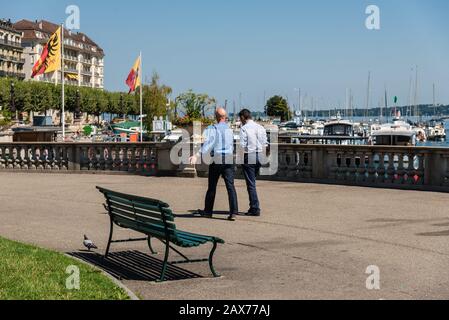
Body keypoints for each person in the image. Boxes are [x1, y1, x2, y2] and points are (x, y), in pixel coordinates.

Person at [190, 108, 239, 221]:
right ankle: (233, 212)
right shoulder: (230, 129)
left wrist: (196, 155)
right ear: (225, 117)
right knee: (230, 186)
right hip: (229, 158)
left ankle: (208, 211)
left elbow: (208, 145)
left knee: (212, 186)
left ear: (216, 116)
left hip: (217, 159)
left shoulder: (213, 128)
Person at [239, 109, 268, 217]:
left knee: (251, 184)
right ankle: (254, 206)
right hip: (260, 155)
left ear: (242, 117)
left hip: (249, 155)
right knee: (253, 182)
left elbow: (242, 145)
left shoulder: (244, 128)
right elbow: (265, 144)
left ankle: (255, 208)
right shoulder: (260, 127)